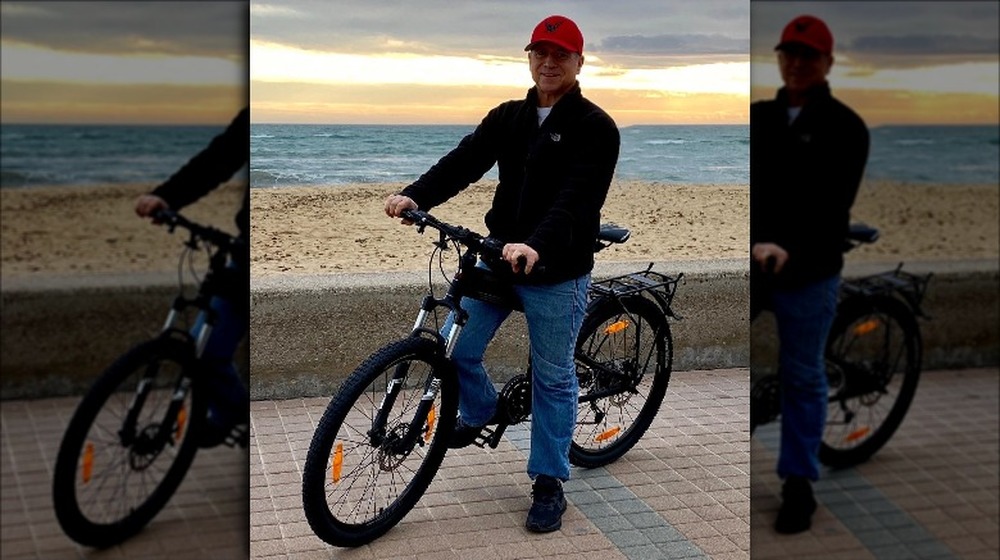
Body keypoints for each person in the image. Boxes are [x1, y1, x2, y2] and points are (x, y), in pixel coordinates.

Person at [384, 15, 619, 533]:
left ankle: (549, 482)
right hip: (497, 258)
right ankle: (484, 411)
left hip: (555, 267)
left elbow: (577, 200)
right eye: (541, 52)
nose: (549, 62)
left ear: (580, 62)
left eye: (561, 54)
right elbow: (465, 159)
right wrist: (417, 195)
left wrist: (535, 244)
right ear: (529, 57)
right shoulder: (509, 116)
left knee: (554, 376)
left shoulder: (595, 127)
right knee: (459, 350)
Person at [750, 15, 869, 534]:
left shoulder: (846, 127)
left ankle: (800, 483)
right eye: (789, 53)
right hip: (755, 260)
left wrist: (787, 247)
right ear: (779, 58)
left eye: (809, 55)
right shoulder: (758, 117)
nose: (797, 63)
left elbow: (831, 209)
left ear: (827, 63)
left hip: (810, 268)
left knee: (803, 376)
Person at [135, 106, 250, 449]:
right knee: (206, 348)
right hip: (244, 249)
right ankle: (232, 413)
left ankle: (233, 415)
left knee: (208, 347)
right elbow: (219, 158)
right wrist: (167, 196)